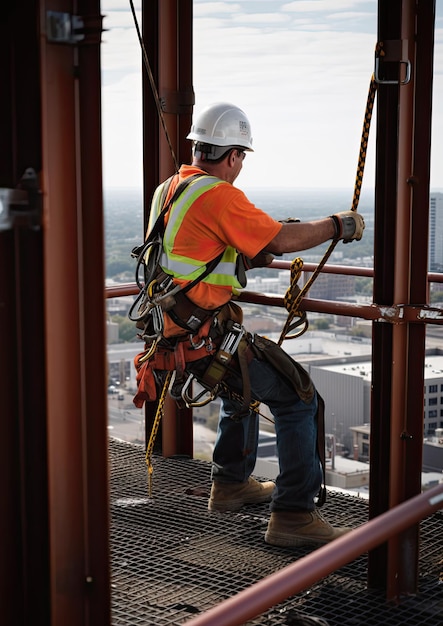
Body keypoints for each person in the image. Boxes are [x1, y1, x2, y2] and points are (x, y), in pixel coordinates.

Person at [133, 102, 365, 548]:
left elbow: (192, 252)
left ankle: (230, 483)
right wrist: (339, 224)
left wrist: (242, 251)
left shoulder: (170, 189)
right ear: (234, 155)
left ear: (199, 148)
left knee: (240, 389)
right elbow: (279, 239)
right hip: (202, 335)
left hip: (174, 333)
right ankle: (295, 513)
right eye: (241, 159)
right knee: (299, 399)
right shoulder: (219, 195)